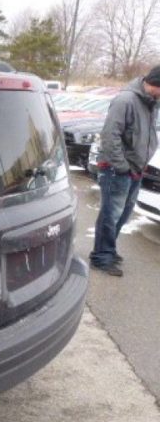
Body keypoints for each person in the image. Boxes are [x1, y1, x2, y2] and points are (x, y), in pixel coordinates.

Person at [90, 66, 160, 276]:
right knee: (111, 215)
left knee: (123, 214)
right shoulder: (126, 100)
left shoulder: (150, 103)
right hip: (117, 170)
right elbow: (109, 136)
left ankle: (108, 250)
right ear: (155, 84)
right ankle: (101, 257)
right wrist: (122, 167)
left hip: (134, 169)